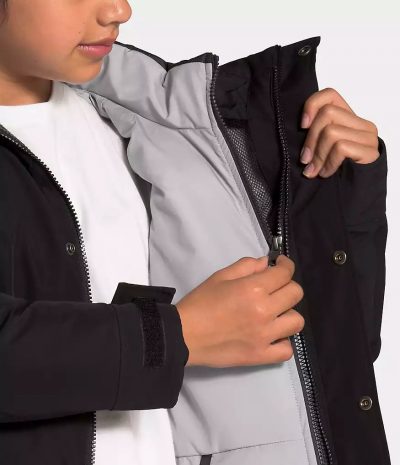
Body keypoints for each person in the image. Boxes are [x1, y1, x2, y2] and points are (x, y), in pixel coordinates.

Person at [0, 1, 390, 465]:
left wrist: (348, 193)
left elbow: (335, 352)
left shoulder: (167, 130)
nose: (119, 10)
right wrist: (177, 334)